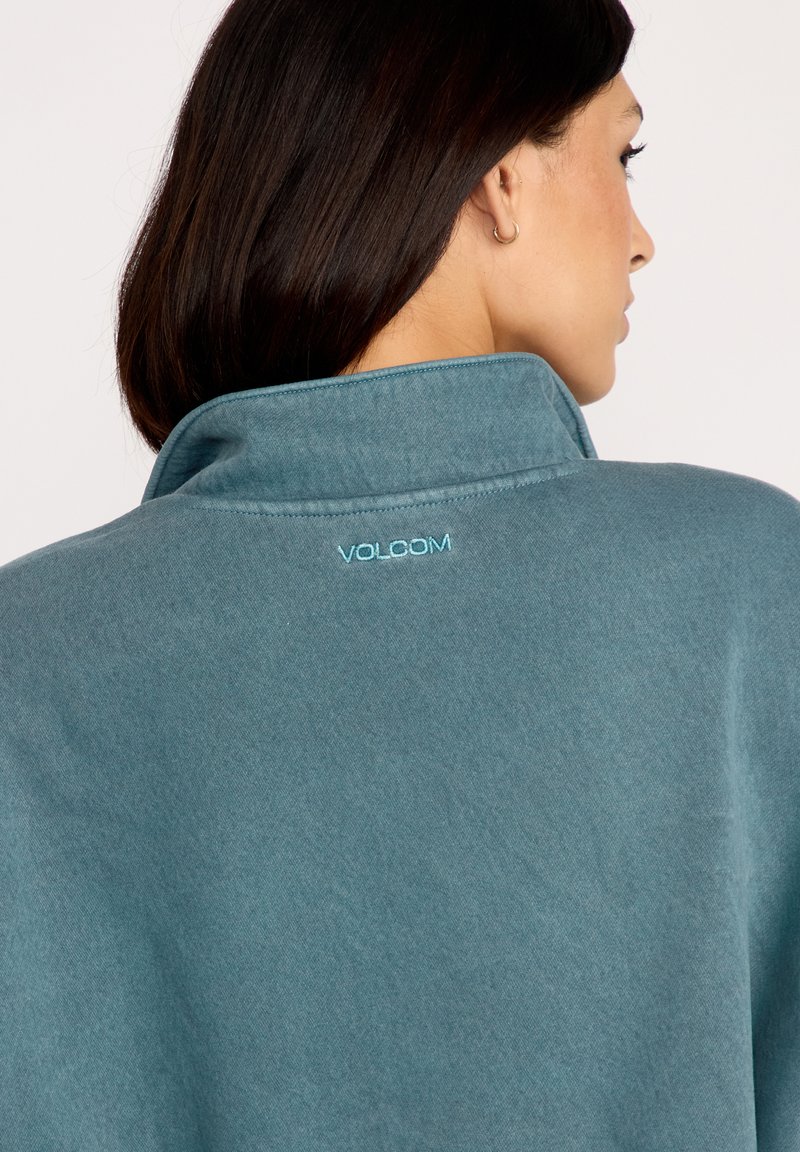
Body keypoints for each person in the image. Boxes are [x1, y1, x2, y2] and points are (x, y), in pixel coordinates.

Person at [1, 0, 797, 1148]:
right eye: (620, 157)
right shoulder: (746, 589)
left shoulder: (27, 658)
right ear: (497, 178)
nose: (639, 238)